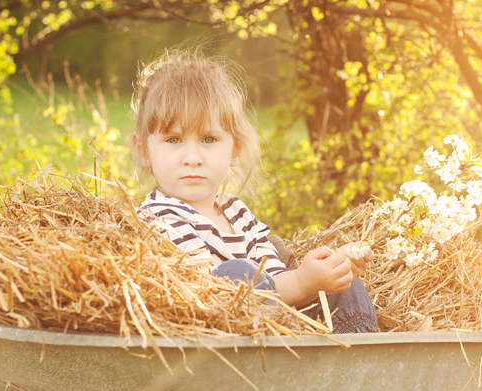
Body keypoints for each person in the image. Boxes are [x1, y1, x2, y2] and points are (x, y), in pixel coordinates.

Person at [128, 47, 377, 334]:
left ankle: (358, 358)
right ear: (142, 149)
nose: (192, 157)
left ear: (236, 150)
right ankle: (300, 357)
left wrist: (327, 273)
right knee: (236, 276)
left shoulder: (236, 212)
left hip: (283, 326)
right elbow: (206, 296)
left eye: (209, 139)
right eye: (173, 140)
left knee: (345, 285)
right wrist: (302, 283)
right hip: (230, 349)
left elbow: (276, 281)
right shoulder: (156, 218)